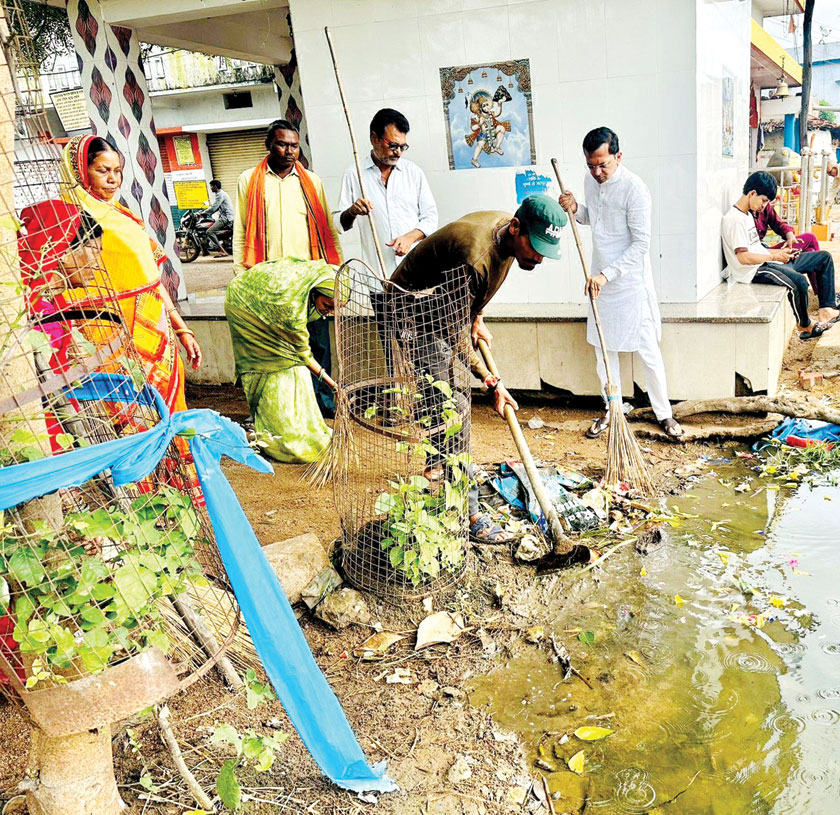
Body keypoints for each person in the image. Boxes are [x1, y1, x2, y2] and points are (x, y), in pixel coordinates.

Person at [390, 194, 567, 544]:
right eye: (536, 247)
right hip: (410, 311)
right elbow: (453, 331)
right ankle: (470, 514)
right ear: (516, 229)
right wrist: (490, 381)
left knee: (441, 401)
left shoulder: (505, 232)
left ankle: (436, 469)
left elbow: (472, 292)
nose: (540, 257)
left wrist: (478, 315)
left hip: (442, 307)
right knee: (450, 408)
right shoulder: (475, 257)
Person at [52, 136, 202, 411]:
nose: (113, 179)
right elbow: (61, 284)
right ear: (79, 171)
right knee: (123, 407)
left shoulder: (124, 216)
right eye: (102, 170)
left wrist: (181, 328)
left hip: (152, 330)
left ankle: (172, 455)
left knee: (163, 402)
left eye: (117, 171)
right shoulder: (66, 219)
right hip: (104, 332)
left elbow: (152, 280)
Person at [559, 126, 682, 440]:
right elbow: (594, 219)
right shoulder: (590, 180)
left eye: (604, 164)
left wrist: (606, 275)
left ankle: (664, 413)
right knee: (603, 348)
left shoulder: (635, 189)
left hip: (628, 283)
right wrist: (576, 209)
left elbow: (640, 245)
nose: (597, 172)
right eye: (591, 165)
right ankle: (612, 409)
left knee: (647, 350)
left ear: (618, 156)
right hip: (598, 280)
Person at [233, 119, 342, 417]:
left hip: (308, 280)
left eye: (294, 145)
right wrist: (242, 277)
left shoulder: (312, 181)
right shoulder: (249, 180)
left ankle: (324, 404)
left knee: (317, 342)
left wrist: (334, 275)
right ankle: (290, 410)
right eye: (282, 144)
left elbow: (327, 230)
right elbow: (241, 229)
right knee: (279, 349)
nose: (289, 151)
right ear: (269, 145)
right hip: (271, 283)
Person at [224, 258, 336, 463]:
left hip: (266, 300)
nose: (331, 313)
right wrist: (333, 384)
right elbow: (302, 353)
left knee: (293, 366)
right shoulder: (290, 308)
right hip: (243, 305)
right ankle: (275, 439)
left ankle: (304, 426)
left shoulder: (323, 276)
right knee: (268, 365)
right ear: (314, 293)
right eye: (327, 306)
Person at [721, 170, 839, 340]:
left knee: (823, 257)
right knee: (799, 281)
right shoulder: (734, 220)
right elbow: (743, 258)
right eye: (763, 201)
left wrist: (781, 253)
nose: (764, 206)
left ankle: (827, 309)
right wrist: (775, 257)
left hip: (765, 261)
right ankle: (805, 325)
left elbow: (757, 248)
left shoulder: (747, 215)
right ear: (752, 193)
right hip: (754, 271)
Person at [338, 108, 438, 277]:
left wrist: (409, 238)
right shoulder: (355, 173)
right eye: (392, 146)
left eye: (403, 147)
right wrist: (352, 211)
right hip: (378, 276)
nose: (398, 152)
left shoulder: (414, 172)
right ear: (374, 139)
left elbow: (431, 217)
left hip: (414, 273)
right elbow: (340, 225)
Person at [203, 179, 234, 256]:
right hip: (227, 216)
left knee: (209, 232)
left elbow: (214, 207)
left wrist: (203, 213)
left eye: (211, 187)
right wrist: (206, 211)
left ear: (215, 187)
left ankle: (222, 250)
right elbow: (216, 207)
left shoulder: (220, 194)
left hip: (226, 218)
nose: (210, 188)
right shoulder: (222, 193)